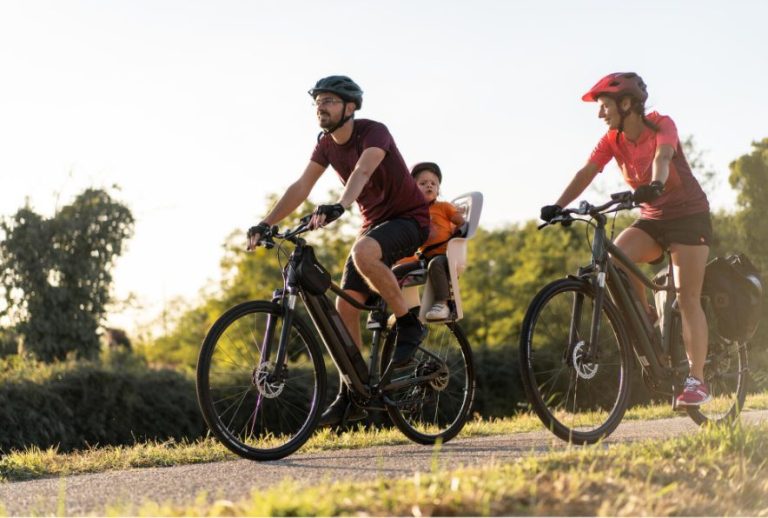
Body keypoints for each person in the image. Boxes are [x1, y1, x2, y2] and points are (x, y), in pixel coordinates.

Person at [246, 75, 430, 425]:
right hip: (374, 225)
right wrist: (266, 222)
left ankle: (408, 324)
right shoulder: (326, 145)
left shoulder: (374, 132)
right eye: (317, 103)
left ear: (350, 107)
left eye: (328, 101)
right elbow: (302, 185)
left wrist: (341, 205)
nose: (321, 108)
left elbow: (363, 170)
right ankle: (354, 390)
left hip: (409, 219)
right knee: (344, 305)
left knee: (363, 253)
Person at [540, 72, 712, 407]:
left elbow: (663, 158)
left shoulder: (662, 124)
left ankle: (697, 379)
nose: (600, 114)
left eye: (604, 106)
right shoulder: (611, 140)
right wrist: (558, 206)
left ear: (627, 103)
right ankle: (647, 316)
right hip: (653, 218)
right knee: (616, 254)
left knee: (688, 297)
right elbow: (586, 172)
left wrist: (657, 184)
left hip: (689, 217)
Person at [406, 162, 466, 320]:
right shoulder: (414, 212)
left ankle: (443, 304)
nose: (429, 186)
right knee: (399, 270)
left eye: (433, 183)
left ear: (438, 189)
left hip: (445, 256)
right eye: (423, 183)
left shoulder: (444, 207)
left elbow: (461, 223)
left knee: (436, 264)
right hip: (424, 256)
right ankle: (405, 309)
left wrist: (458, 226)